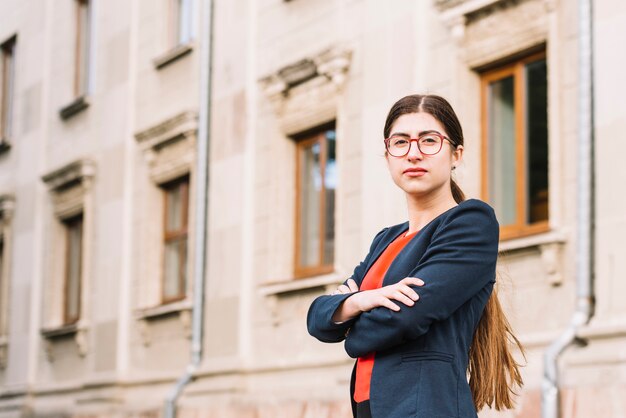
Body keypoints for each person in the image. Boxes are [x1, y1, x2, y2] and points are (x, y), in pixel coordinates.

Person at [306, 94, 524, 418]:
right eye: (401, 142)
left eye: (429, 141)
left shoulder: (470, 222)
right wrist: (360, 302)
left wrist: (351, 327)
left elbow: (407, 316)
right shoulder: (387, 239)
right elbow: (318, 319)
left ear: (456, 154)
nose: (414, 153)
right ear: (387, 156)